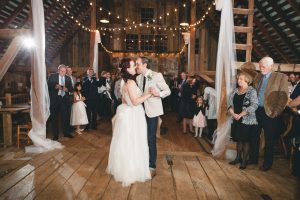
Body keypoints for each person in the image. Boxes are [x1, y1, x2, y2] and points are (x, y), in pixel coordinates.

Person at [107, 57, 153, 187]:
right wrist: (150, 94)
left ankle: (125, 168)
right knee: (134, 141)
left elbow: (123, 99)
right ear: (127, 69)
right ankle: (132, 170)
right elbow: (136, 101)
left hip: (129, 113)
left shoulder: (126, 81)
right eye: (133, 66)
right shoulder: (131, 83)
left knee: (128, 141)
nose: (135, 68)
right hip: (134, 114)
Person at [136, 57, 171, 177]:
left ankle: (152, 166)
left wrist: (159, 94)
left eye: (138, 64)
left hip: (152, 112)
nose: (136, 66)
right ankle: (142, 162)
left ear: (145, 65)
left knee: (151, 139)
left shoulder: (156, 75)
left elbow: (168, 91)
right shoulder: (138, 77)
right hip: (140, 111)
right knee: (141, 138)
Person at [252, 57, 289, 171]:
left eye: (263, 66)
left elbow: (284, 96)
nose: (261, 68)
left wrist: (276, 112)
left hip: (270, 113)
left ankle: (267, 163)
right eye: (260, 66)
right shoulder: (258, 76)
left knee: (269, 140)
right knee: (253, 136)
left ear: (271, 66)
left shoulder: (281, 77)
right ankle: (253, 159)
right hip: (257, 110)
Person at [228, 70, 258, 169]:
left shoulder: (252, 91)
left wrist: (240, 114)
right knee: (238, 139)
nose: (238, 80)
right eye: (238, 79)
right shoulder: (236, 91)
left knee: (246, 141)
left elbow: (254, 105)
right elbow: (229, 104)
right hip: (236, 118)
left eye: (241, 79)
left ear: (247, 80)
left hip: (247, 120)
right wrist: (233, 113)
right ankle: (238, 158)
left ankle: (244, 161)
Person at [47, 64, 74, 140]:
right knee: (54, 118)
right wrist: (55, 86)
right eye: (61, 71)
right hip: (55, 100)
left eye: (64, 71)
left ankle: (66, 133)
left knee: (65, 117)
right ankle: (55, 135)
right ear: (58, 71)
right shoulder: (52, 76)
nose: (63, 73)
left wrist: (67, 90)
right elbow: (48, 85)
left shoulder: (68, 78)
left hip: (64, 100)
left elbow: (72, 89)